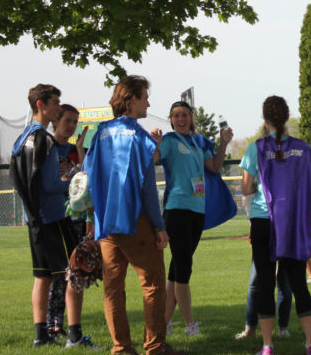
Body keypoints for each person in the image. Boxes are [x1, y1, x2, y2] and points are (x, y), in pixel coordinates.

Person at [85, 76, 186, 355]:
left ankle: (121, 348)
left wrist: (91, 222)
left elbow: (86, 177)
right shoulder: (139, 137)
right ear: (131, 100)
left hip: (105, 222)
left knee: (113, 289)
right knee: (153, 284)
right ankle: (155, 346)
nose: (149, 103)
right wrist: (159, 225)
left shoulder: (99, 133)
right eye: (144, 97)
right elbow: (146, 188)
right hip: (135, 220)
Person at [9, 84, 98, 349]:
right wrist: (79, 183)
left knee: (42, 276)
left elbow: (19, 179)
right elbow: (50, 184)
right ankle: (74, 335)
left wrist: (29, 212)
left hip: (35, 218)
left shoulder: (22, 138)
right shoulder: (43, 139)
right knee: (74, 273)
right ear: (41, 105)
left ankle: (41, 336)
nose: (58, 107)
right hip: (53, 217)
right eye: (55, 103)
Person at [240, 95, 311, 355]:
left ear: (265, 119)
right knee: (298, 282)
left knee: (265, 283)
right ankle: (310, 344)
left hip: (264, 221)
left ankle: (267, 346)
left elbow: (246, 187)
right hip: (293, 223)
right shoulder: (304, 149)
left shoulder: (256, 148)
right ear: (286, 118)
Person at [152, 100, 233, 336]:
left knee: (177, 268)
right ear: (171, 119)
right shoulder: (168, 141)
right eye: (176, 115)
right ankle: (189, 324)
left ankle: (164, 322)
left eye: (184, 115)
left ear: (191, 117)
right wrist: (155, 145)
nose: (180, 119)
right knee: (184, 267)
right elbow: (155, 159)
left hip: (198, 209)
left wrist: (224, 145)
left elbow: (215, 168)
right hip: (176, 208)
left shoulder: (199, 142)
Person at [46, 104, 90, 339]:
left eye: (75, 121)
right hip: (56, 217)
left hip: (76, 218)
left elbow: (84, 178)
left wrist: (81, 151)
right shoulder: (49, 148)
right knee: (59, 273)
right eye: (68, 121)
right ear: (57, 121)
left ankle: (67, 326)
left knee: (75, 272)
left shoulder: (74, 149)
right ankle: (53, 324)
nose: (72, 126)